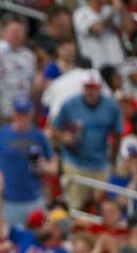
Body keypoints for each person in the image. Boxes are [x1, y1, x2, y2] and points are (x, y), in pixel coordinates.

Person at [0, 96, 57, 228]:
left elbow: (54, 166)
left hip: (34, 198)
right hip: (9, 200)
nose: (21, 118)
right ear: (13, 114)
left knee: (36, 235)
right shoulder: (1, 134)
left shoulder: (39, 136)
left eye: (24, 114)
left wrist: (46, 167)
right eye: (18, 113)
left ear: (30, 115)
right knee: (9, 234)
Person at [51, 70, 123, 210]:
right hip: (74, 161)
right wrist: (63, 136)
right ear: (83, 88)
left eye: (94, 88)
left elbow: (117, 134)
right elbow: (54, 130)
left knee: (101, 208)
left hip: (100, 162)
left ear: (99, 88)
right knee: (74, 207)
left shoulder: (111, 107)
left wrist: (112, 159)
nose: (90, 92)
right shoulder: (70, 105)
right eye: (87, 87)